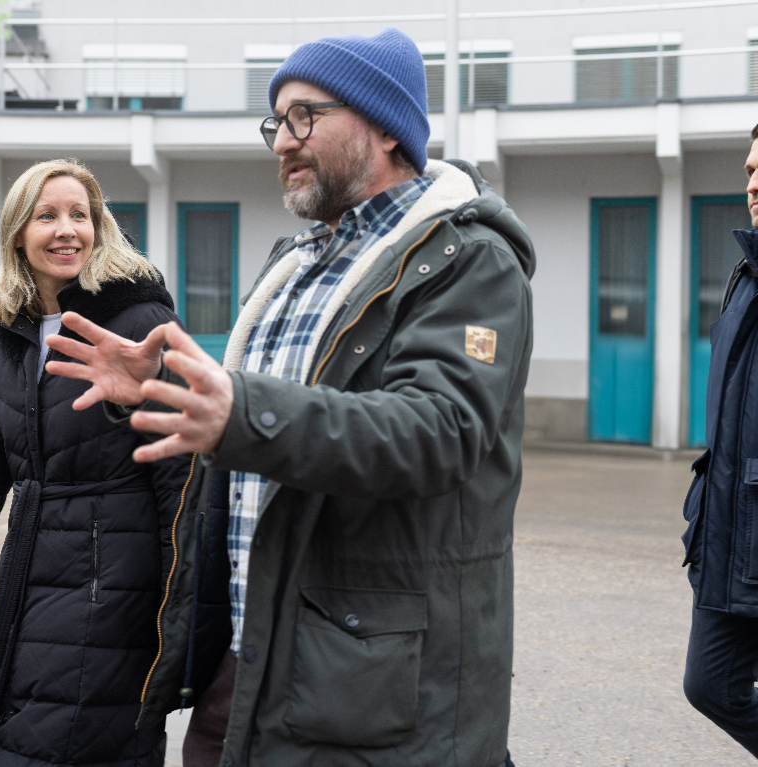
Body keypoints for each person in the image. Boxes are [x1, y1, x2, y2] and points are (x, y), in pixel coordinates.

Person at [44, 28, 534, 767]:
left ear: (385, 127)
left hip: (366, 681)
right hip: (249, 656)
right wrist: (165, 389)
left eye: (305, 116)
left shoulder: (469, 261)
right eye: (275, 122)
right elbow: (271, 420)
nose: (282, 141)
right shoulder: (295, 263)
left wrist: (239, 412)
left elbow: (437, 431)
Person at [0, 159, 191, 767]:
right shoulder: (7, 329)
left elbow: (182, 477)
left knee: (72, 741)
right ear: (17, 234)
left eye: (80, 215)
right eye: (47, 216)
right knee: (18, 730)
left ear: (99, 227)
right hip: (29, 574)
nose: (67, 230)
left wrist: (181, 608)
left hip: (114, 583)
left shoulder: (141, 322)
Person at [681, 123, 758, 756]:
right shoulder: (745, 274)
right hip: (733, 532)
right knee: (710, 684)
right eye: (751, 171)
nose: (753, 185)